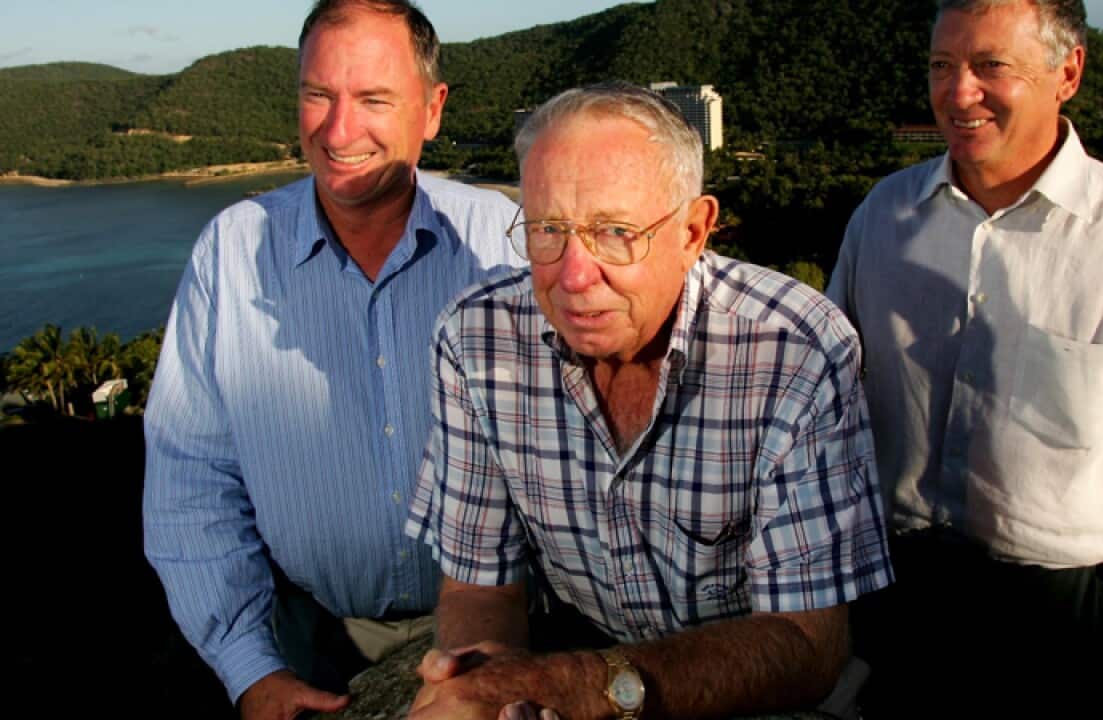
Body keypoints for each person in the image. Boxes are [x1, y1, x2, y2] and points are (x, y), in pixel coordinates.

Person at [402, 82, 892, 720]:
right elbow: (478, 583)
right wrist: (484, 686)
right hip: (575, 663)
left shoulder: (793, 351)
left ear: (693, 231)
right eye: (548, 229)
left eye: (615, 232)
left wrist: (582, 686)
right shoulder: (475, 339)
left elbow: (807, 643)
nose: (574, 275)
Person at [825, 0, 1103, 717]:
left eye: (991, 66)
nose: (959, 93)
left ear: (1067, 73)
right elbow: (826, 398)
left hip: (1055, 614)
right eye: (942, 66)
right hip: (894, 589)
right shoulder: (883, 216)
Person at [142, 1, 524, 717]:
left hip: (508, 624)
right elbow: (191, 480)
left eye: (374, 99)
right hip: (311, 643)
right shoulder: (230, 253)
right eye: (319, 95)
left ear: (432, 109)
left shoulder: (504, 241)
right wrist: (250, 668)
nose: (339, 130)